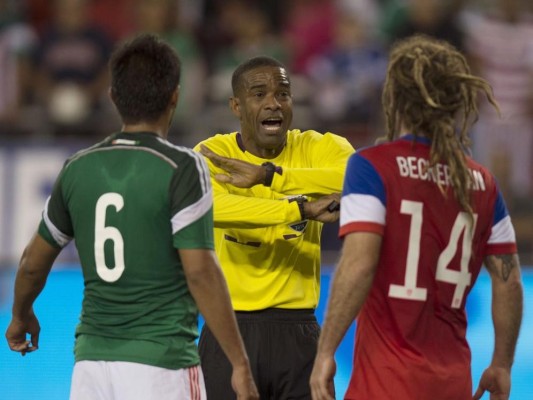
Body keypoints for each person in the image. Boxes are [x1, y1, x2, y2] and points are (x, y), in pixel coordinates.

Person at [5, 33, 258, 400]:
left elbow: (31, 263)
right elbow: (201, 272)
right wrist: (239, 362)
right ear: (175, 96)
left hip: (91, 366)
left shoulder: (78, 168)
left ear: (113, 97)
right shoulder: (182, 167)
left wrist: (20, 314)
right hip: (162, 362)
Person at [310, 34, 523, 400]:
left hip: (385, 384)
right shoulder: (481, 182)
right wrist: (501, 364)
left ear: (394, 97)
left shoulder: (372, 166)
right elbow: (509, 280)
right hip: (453, 384)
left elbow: (360, 263)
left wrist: (326, 350)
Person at [193, 55, 355, 399]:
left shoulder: (319, 147)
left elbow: (357, 176)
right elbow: (211, 208)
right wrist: (300, 208)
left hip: (298, 331)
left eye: (283, 93)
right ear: (236, 106)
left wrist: (269, 176)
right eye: (259, 94)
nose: (273, 103)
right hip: (228, 331)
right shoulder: (213, 153)